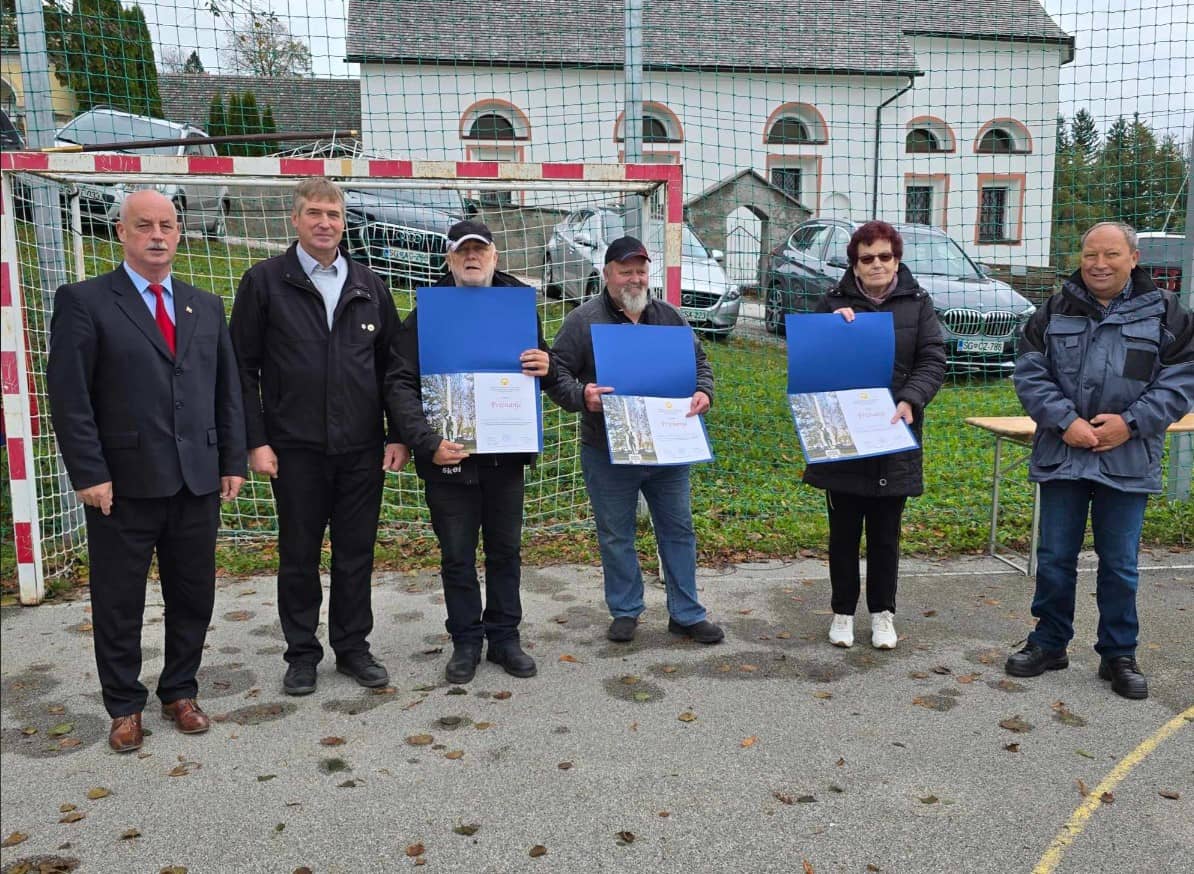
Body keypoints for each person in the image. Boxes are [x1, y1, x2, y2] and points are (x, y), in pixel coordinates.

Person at [46, 190, 247, 752]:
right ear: (122, 234)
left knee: (193, 595)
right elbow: (70, 398)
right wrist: (89, 472)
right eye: (144, 226)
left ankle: (180, 691)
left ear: (179, 233)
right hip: (122, 484)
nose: (157, 235)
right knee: (118, 600)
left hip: (196, 480)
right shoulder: (84, 301)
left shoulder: (204, 304)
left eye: (166, 225)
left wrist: (231, 458)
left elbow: (225, 389)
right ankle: (124, 706)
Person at [229, 177, 408, 696]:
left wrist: (396, 434)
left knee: (356, 554)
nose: (324, 222)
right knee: (299, 555)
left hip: (361, 450)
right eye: (314, 213)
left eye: (332, 213)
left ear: (343, 220)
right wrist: (255, 441)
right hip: (295, 450)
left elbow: (393, 369)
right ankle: (301, 654)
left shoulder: (370, 286)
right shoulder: (264, 282)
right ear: (296, 219)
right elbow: (242, 369)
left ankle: (352, 649)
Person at [1005, 221, 1194, 700]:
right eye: (1091, 254)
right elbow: (1029, 372)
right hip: (1063, 451)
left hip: (1127, 456)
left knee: (1120, 564)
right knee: (1054, 557)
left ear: (1133, 259)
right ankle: (1048, 642)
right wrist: (1065, 420)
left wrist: (1130, 424)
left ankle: (1119, 654)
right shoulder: (1053, 309)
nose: (1099, 264)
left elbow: (1180, 381)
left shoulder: (1167, 314)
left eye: (1110, 255)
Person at [387, 220, 555, 684]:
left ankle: (505, 638)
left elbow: (543, 363)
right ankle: (465, 640)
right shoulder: (428, 312)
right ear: (449, 259)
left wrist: (547, 362)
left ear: (495, 257)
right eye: (462, 252)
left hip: (506, 457)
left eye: (480, 250)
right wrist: (426, 441)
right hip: (448, 456)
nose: (472, 258)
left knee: (506, 551)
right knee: (457, 555)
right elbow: (400, 381)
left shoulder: (518, 305)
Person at [546, 236, 724, 645]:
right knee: (615, 533)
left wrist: (704, 392)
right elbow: (556, 374)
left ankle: (686, 613)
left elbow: (700, 363)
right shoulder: (583, 320)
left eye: (641, 270)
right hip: (607, 449)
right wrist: (582, 396)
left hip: (669, 449)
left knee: (678, 530)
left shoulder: (670, 318)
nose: (635, 278)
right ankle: (625, 610)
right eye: (625, 271)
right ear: (607, 274)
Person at [803, 221, 946, 650]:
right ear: (854, 265)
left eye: (885, 256)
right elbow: (810, 363)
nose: (877, 264)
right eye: (867, 258)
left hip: (892, 434)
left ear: (897, 259)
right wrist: (830, 329)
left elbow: (933, 359)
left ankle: (883, 613)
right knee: (843, 534)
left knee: (886, 534)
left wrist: (910, 400)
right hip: (843, 438)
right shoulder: (830, 303)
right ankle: (843, 612)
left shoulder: (919, 304)